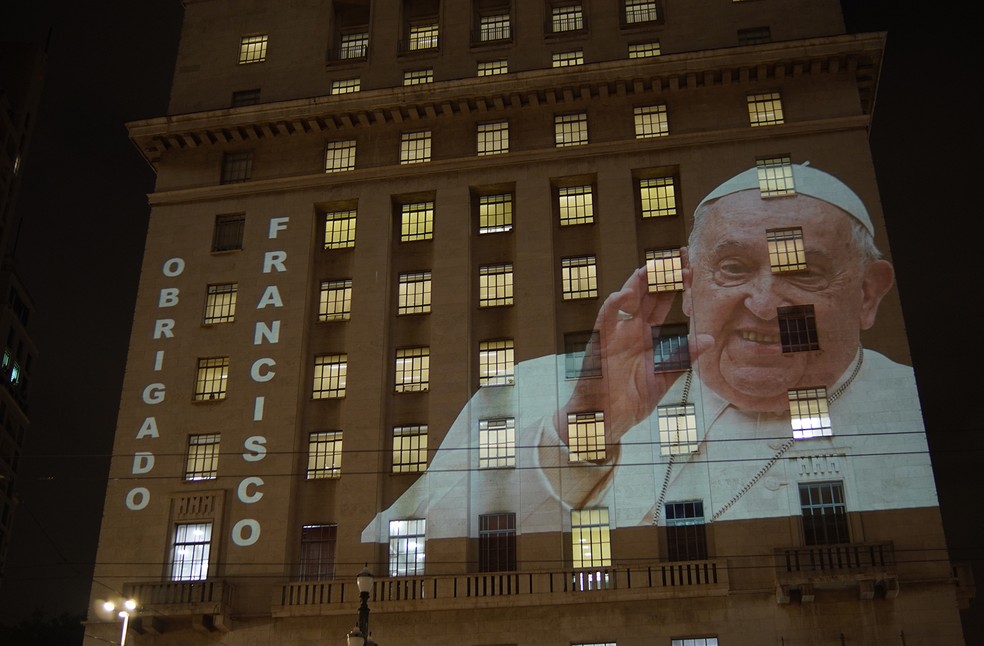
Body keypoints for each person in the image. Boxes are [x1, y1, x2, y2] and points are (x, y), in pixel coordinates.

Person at [362, 165, 939, 545]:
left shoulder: (915, 409)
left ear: (867, 293)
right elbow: (394, 552)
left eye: (803, 272)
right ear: (690, 286)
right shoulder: (529, 388)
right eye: (734, 269)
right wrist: (581, 433)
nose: (764, 305)